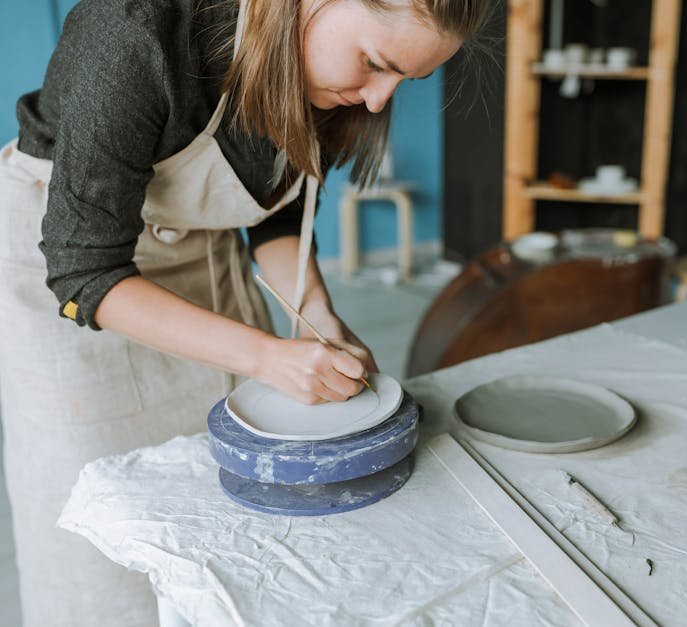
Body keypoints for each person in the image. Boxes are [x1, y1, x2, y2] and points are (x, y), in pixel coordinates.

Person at [0, 0, 487, 623]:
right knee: (109, 530)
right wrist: (267, 356)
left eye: (402, 81)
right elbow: (84, 273)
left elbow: (278, 208)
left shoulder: (321, 77)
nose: (376, 101)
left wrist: (317, 317)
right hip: (71, 262)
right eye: (373, 64)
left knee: (225, 504)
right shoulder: (132, 31)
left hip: (202, 248)